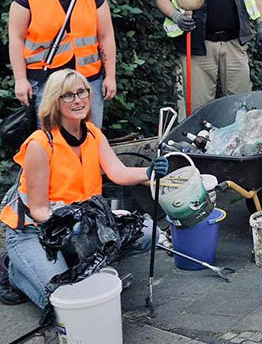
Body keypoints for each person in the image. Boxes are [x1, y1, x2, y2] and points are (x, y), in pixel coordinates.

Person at [0, 69, 169, 308]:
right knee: (60, 298)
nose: (78, 100)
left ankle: (74, 261)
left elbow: (118, 173)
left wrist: (149, 172)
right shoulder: (40, 144)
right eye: (67, 95)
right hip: (34, 231)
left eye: (82, 92)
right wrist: (77, 226)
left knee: (146, 232)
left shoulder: (93, 134)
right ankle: (13, 270)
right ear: (54, 102)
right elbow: (38, 209)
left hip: (76, 223)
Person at [8, 0, 116, 128]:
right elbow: (16, 38)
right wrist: (20, 79)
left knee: (90, 137)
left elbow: (106, 36)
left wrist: (110, 76)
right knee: (50, 142)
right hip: (45, 84)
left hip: (88, 82)